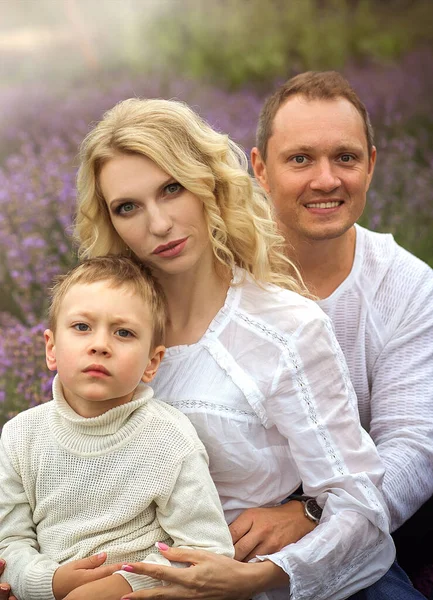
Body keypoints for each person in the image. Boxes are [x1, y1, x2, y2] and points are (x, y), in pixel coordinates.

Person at [62, 96, 397, 600]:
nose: (157, 225)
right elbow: (60, 462)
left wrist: (259, 576)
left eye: (171, 189)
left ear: (208, 185)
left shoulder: (285, 328)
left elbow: (359, 503)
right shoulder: (98, 331)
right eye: (127, 207)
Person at [251, 70, 433, 598]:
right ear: (260, 168)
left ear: (371, 165)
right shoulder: (220, 272)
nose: (326, 179)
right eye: (300, 158)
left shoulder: (407, 286)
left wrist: (313, 512)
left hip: (359, 521)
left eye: (346, 158)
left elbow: (412, 446)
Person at [0, 255, 234, 600]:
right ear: (51, 348)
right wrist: (49, 583)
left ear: (151, 363)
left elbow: (207, 548)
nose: (100, 345)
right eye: (82, 327)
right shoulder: (21, 435)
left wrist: (126, 585)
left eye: (123, 332)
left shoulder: (168, 437)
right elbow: (10, 540)